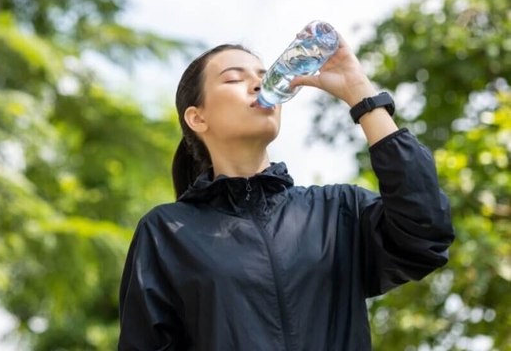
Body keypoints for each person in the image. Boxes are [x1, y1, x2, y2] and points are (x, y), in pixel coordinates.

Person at [117, 33, 454, 350]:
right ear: (197, 118)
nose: (258, 85)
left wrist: (361, 93)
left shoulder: (337, 212)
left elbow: (426, 234)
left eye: (264, 76)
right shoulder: (167, 232)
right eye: (235, 79)